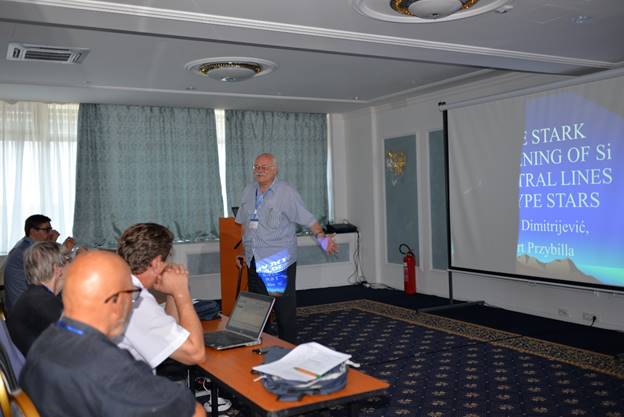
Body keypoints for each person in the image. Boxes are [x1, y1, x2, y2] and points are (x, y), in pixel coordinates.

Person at [19, 250, 205, 417]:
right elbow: (193, 412)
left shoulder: (45, 342)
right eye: (132, 295)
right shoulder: (109, 367)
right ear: (116, 302)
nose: (132, 303)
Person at [235, 153, 336, 343]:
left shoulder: (286, 192)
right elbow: (244, 224)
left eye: (264, 167)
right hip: (254, 260)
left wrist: (323, 239)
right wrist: (243, 252)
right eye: (257, 167)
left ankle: (288, 348)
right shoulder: (248, 191)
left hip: (277, 262)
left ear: (275, 170)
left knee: (283, 311)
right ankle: (260, 347)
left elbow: (307, 218)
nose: (260, 170)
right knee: (258, 310)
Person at [116, 223, 205, 368]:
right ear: (156, 262)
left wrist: (171, 293)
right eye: (165, 260)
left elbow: (171, 332)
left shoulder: (119, 284)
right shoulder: (137, 302)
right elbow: (195, 354)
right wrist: (182, 294)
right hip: (126, 386)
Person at [4, 214, 75, 313]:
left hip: (27, 301)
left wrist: (51, 242)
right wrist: (64, 250)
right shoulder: (25, 250)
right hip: (24, 309)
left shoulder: (27, 244)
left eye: (50, 229)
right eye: (47, 230)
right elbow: (50, 270)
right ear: (33, 231)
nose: (51, 233)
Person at [7, 241, 65, 356]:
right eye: (68, 262)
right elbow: (80, 338)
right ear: (58, 270)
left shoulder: (33, 296)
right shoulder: (44, 302)